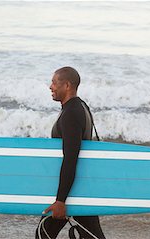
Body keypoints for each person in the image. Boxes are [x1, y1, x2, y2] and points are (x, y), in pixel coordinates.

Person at [35, 67, 105, 239]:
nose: (50, 87)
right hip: (80, 187)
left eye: (54, 82)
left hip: (73, 191)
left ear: (67, 85)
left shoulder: (71, 114)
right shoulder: (81, 106)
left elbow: (70, 159)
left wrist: (60, 201)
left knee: (43, 234)